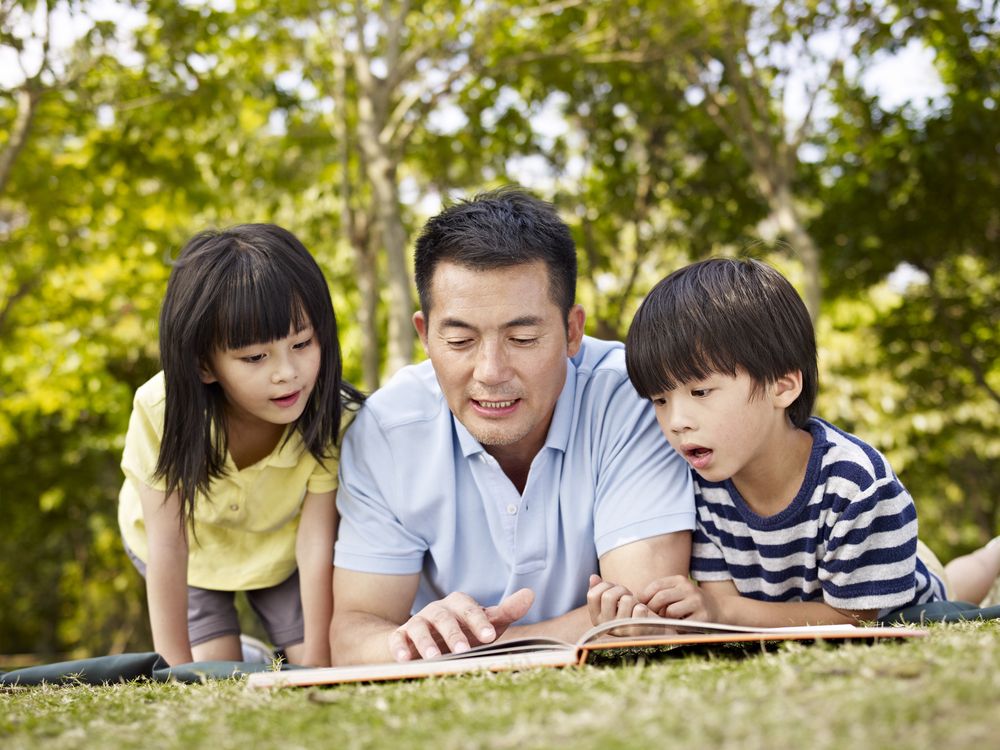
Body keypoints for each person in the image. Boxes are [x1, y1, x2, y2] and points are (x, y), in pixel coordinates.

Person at [331, 188, 695, 664]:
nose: (490, 371)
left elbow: (641, 616)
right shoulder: (387, 431)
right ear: (425, 335)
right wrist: (412, 639)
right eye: (460, 340)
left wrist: (463, 652)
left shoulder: (636, 394)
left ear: (572, 331)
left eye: (522, 338)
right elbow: (353, 636)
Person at [588, 257, 1000, 628]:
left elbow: (855, 618)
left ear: (782, 387)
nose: (676, 422)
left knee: (955, 586)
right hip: (820, 590)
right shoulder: (702, 485)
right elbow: (720, 604)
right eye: (661, 400)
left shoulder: (855, 484)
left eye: (700, 393)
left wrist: (722, 612)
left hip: (890, 590)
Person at [118, 224, 362, 667]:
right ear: (204, 364)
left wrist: (321, 667)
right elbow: (168, 545)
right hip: (191, 558)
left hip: (281, 552)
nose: (287, 372)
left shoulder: (333, 416)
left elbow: (315, 544)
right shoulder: (161, 408)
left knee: (313, 656)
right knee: (214, 670)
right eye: (255, 357)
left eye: (302, 343)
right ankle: (244, 651)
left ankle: (285, 653)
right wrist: (174, 670)